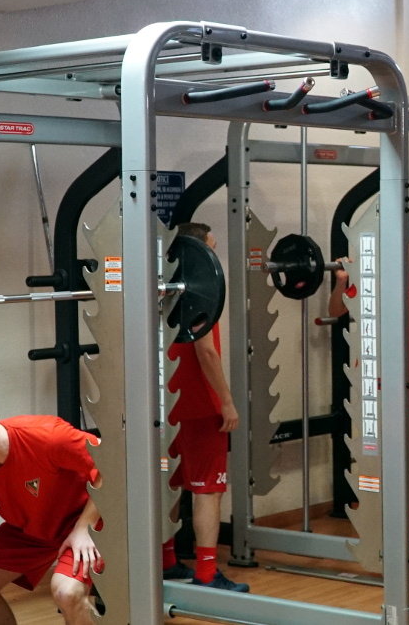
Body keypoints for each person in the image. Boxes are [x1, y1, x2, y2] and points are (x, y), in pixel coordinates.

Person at [327, 215, 409, 549]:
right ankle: (379, 524)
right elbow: (336, 309)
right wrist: (342, 281)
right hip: (380, 381)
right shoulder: (371, 276)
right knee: (379, 457)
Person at [0, 380, 102, 624]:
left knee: (67, 593)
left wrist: (84, 527)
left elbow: (113, 463)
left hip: (84, 519)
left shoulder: (47, 436)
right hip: (33, 529)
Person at [161, 223, 248, 592]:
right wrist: (227, 402)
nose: (214, 255)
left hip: (166, 406)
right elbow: (207, 352)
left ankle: (166, 562)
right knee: (207, 490)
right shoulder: (200, 296)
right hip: (200, 407)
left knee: (168, 485)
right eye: (210, 248)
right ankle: (207, 573)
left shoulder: (160, 291)